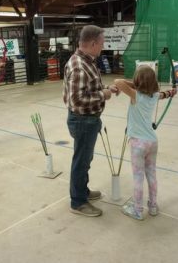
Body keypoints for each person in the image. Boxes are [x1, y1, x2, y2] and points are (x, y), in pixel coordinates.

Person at [63, 25, 118, 217]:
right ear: (93, 43)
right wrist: (104, 95)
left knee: (85, 160)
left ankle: (82, 191)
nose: (102, 47)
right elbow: (76, 100)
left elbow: (90, 86)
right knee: (81, 161)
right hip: (83, 121)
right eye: (101, 44)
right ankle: (78, 202)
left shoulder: (87, 61)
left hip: (88, 120)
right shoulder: (79, 65)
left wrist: (105, 88)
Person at [114, 66, 177, 220]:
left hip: (138, 144)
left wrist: (136, 84)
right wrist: (171, 92)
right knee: (151, 175)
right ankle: (153, 207)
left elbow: (118, 81)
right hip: (152, 142)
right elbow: (163, 95)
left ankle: (137, 210)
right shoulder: (154, 95)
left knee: (138, 178)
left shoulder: (135, 94)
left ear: (138, 81)